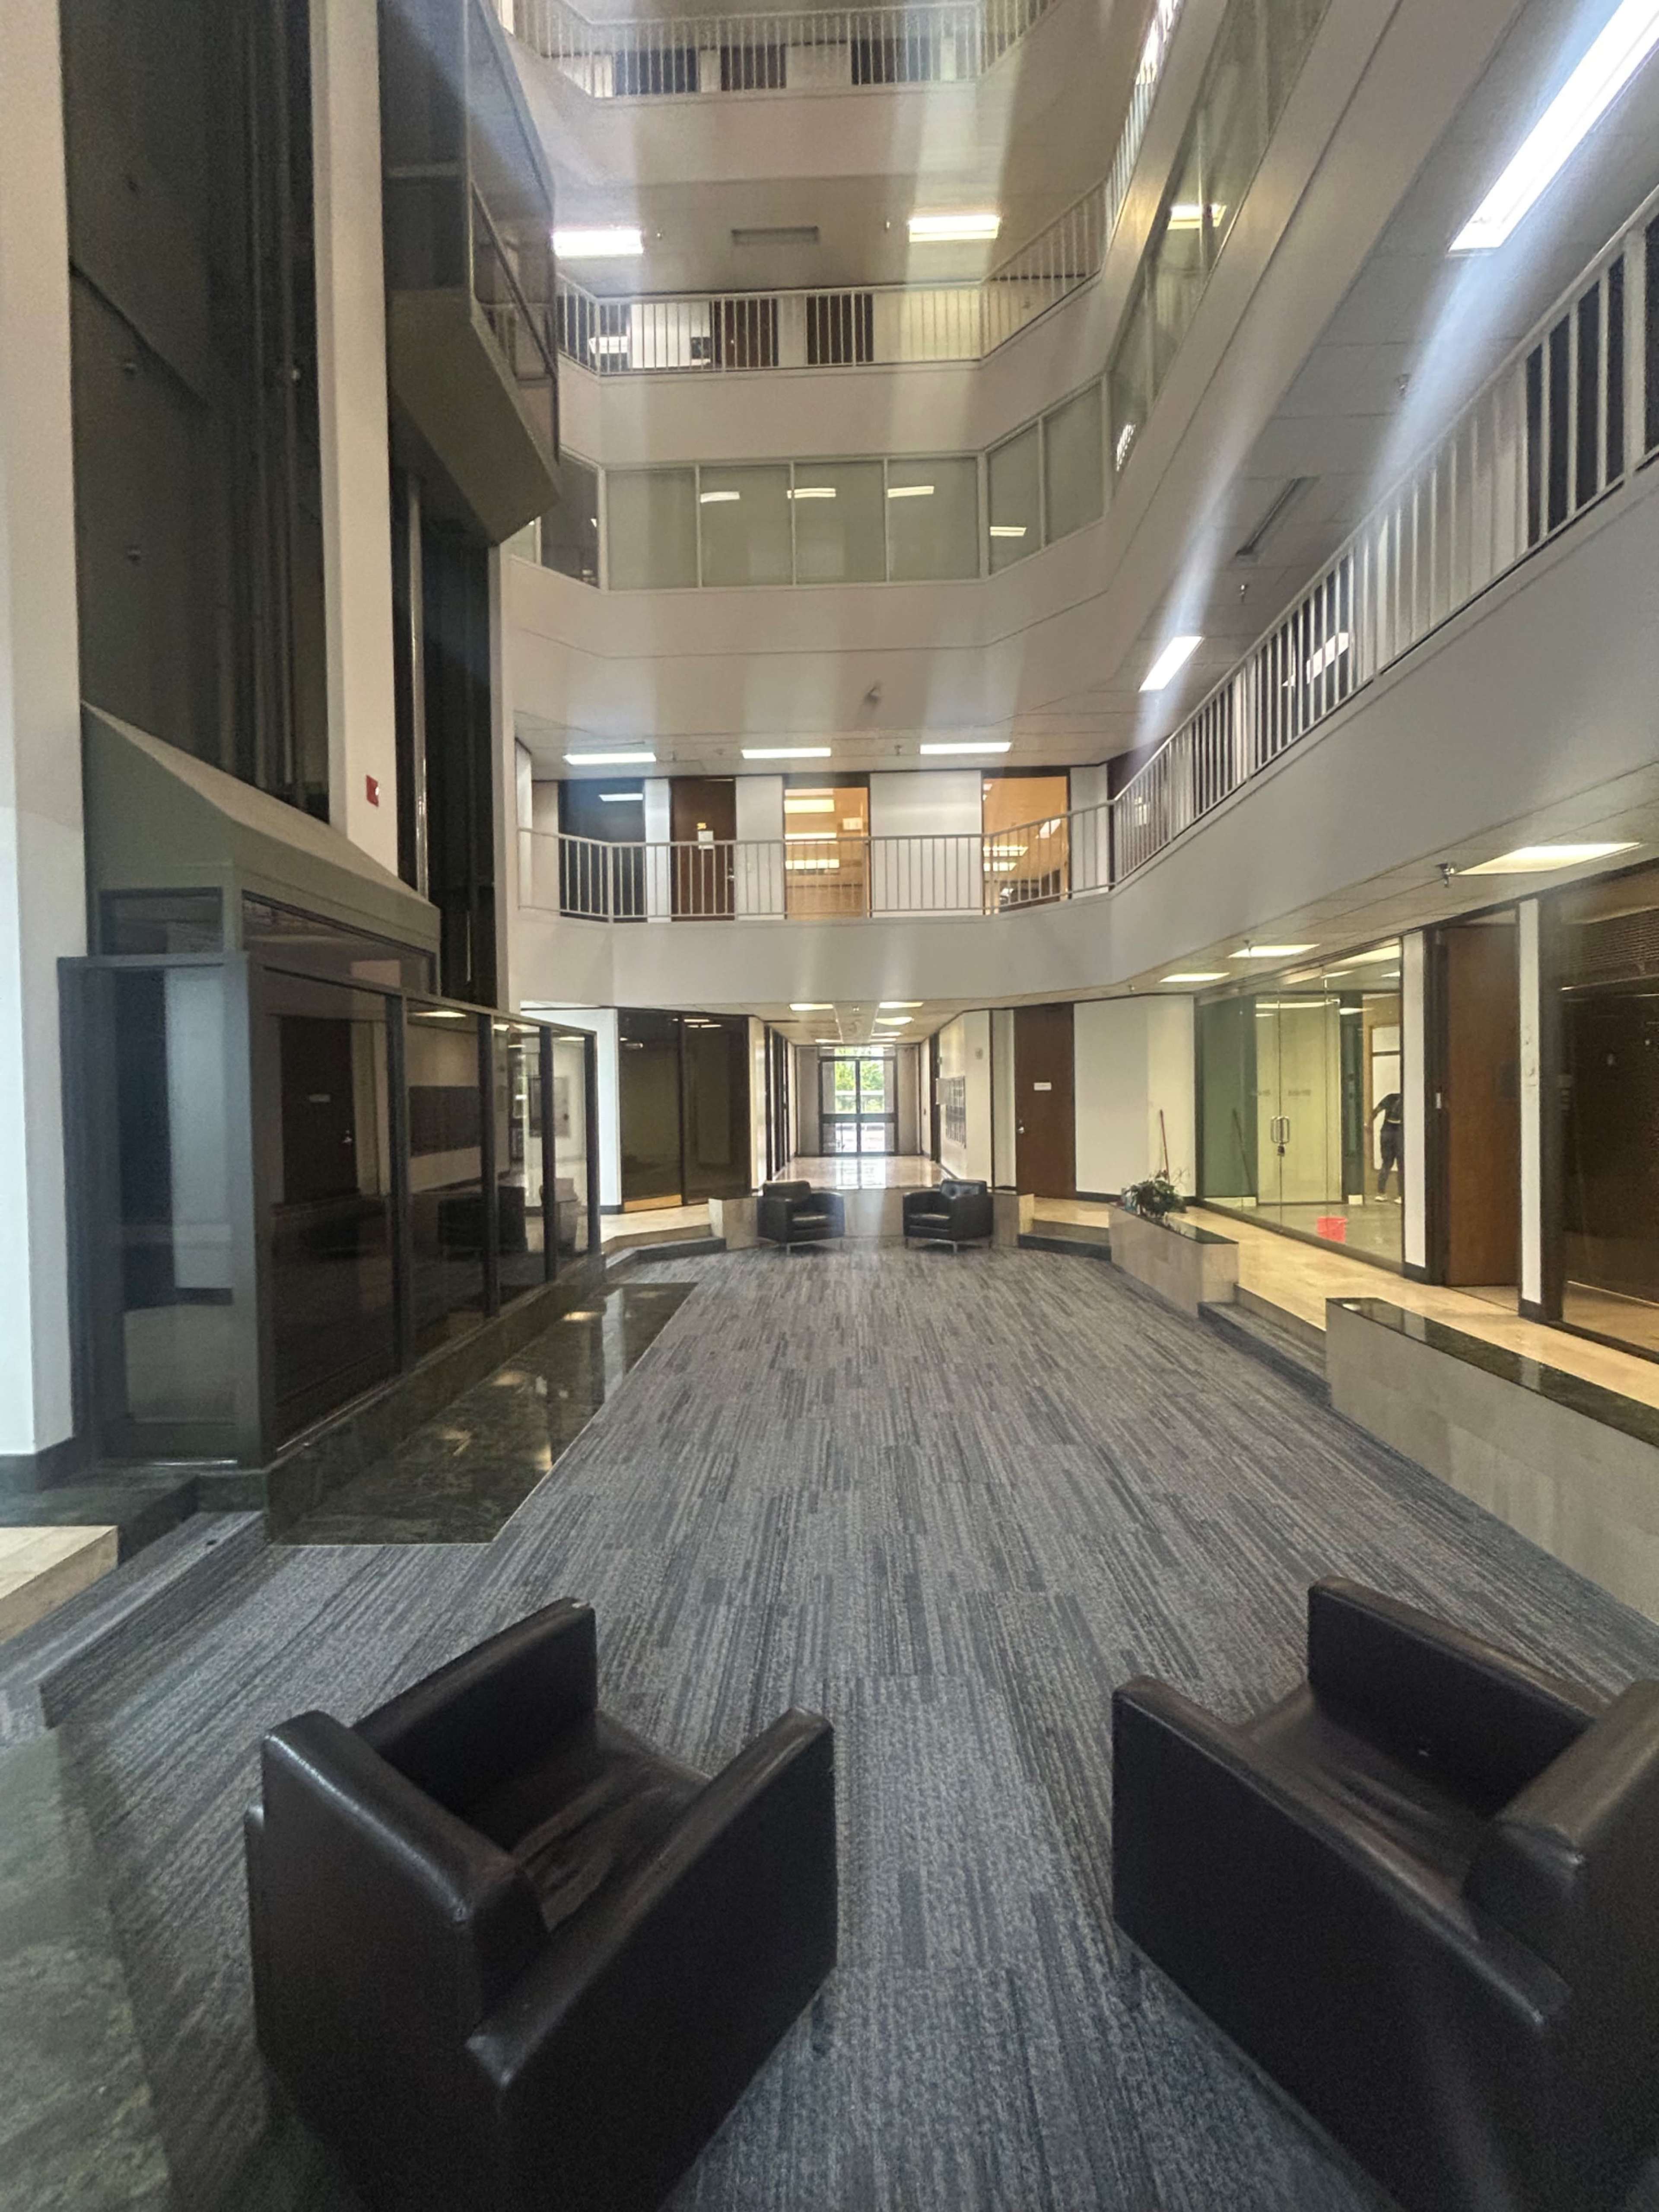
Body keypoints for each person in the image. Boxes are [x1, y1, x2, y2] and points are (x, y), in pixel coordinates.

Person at [1372, 1091, 1403, 1198]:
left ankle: (1381, 1193)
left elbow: (1376, 1111)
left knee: (1386, 1163)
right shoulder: (1407, 1100)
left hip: (1387, 1131)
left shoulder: (1390, 1098)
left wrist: (1369, 1123)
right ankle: (1401, 1195)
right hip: (1400, 1131)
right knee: (1402, 1165)